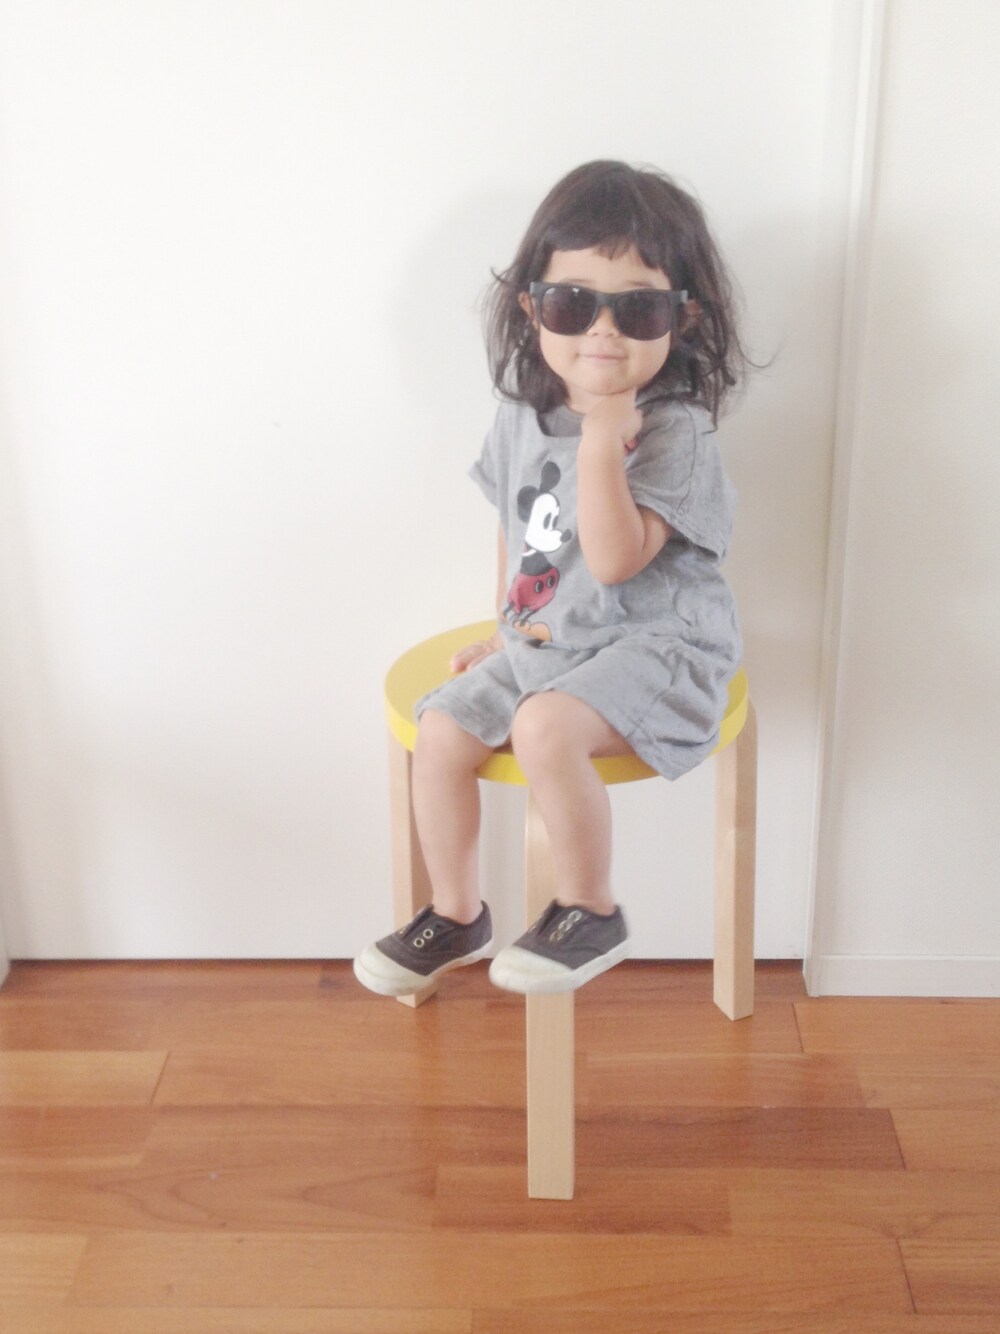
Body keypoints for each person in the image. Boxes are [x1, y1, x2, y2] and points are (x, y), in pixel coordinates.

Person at [354, 160, 749, 999]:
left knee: (542, 728)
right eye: (573, 303)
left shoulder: (674, 432)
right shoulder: (520, 417)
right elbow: (516, 528)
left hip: (661, 645)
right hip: (554, 641)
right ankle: (457, 912)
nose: (603, 330)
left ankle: (590, 910)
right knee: (442, 728)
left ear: (681, 318)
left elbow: (612, 560)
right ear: (532, 308)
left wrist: (603, 440)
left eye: (636, 308)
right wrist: (505, 631)